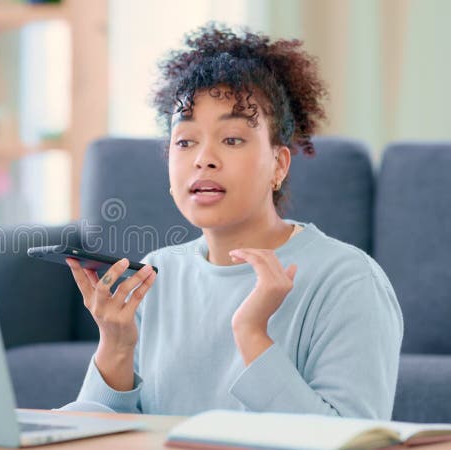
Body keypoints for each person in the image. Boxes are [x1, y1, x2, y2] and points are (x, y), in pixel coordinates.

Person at [62, 23, 403, 420]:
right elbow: (93, 433)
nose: (203, 159)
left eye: (232, 139)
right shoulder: (155, 275)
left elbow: (353, 439)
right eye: (185, 141)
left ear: (279, 164)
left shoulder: (349, 281)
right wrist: (116, 345)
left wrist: (252, 335)